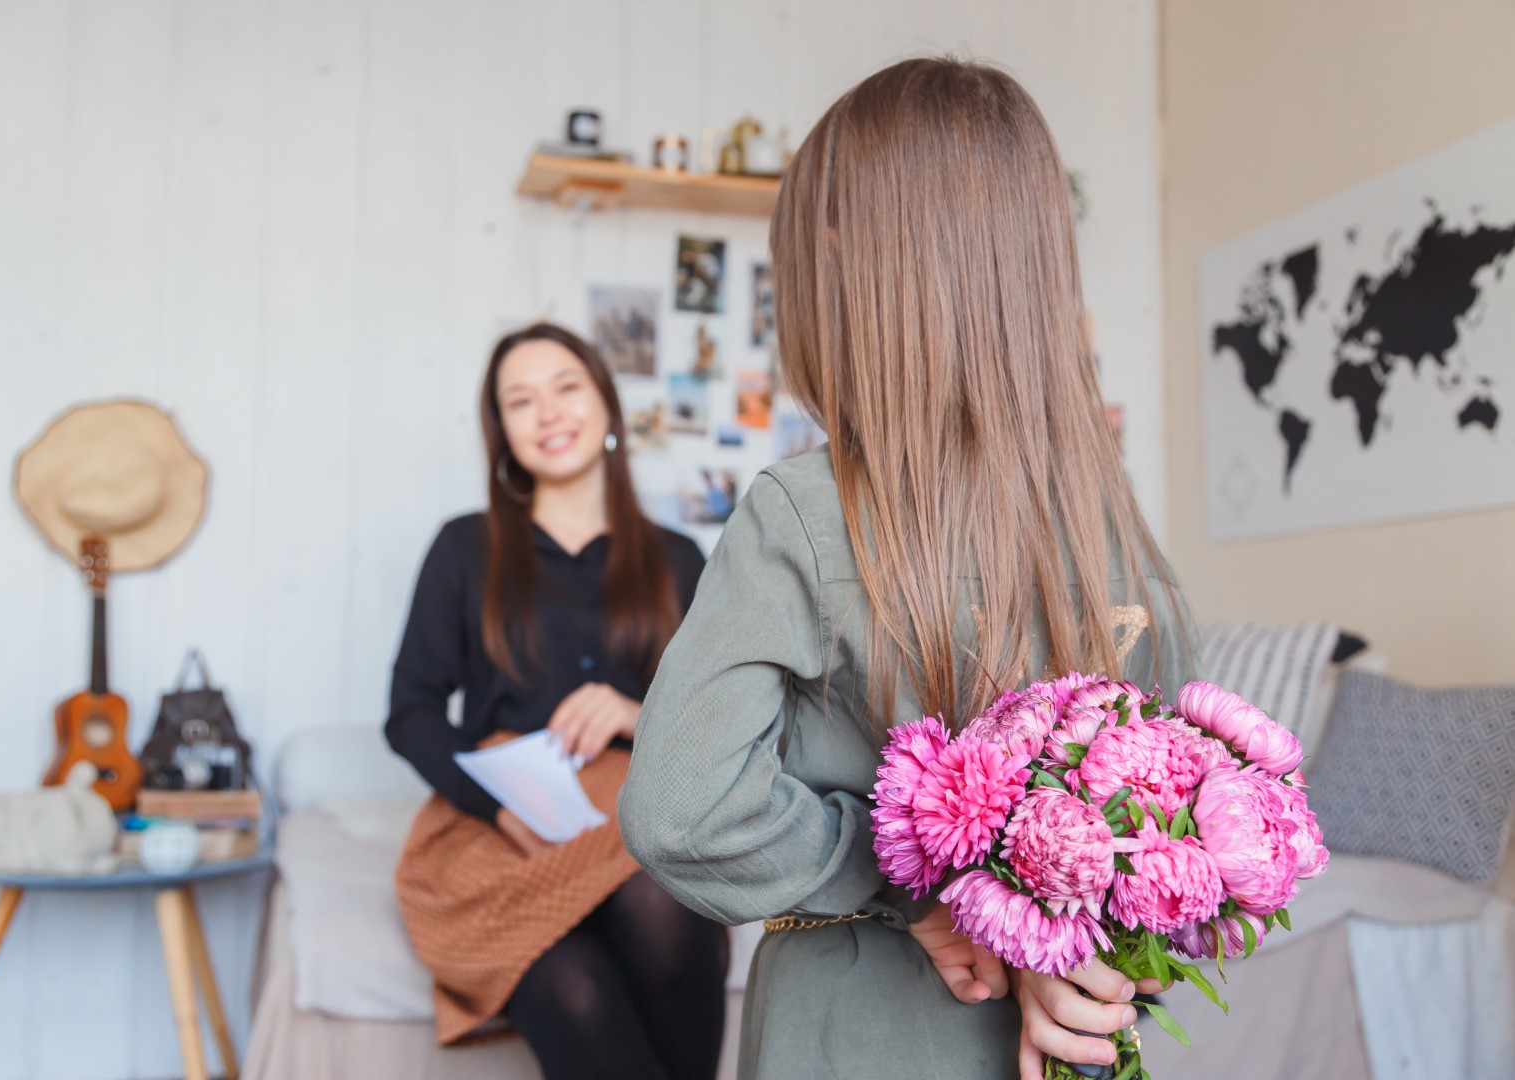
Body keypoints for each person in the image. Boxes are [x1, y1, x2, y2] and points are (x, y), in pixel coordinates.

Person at [618, 59, 1199, 1080]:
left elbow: (681, 810)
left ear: (847, 273)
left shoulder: (803, 512)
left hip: (847, 1037)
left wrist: (920, 891)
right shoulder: (1124, 539)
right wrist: (1082, 965)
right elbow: (1170, 857)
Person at [386, 322, 726, 1080]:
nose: (548, 412)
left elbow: (723, 723)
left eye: (566, 386)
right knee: (573, 987)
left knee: (659, 908)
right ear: (502, 432)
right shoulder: (463, 548)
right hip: (502, 826)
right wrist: (499, 807)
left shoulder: (676, 559)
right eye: (520, 400)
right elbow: (409, 713)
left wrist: (637, 715)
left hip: (632, 820)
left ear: (605, 404)